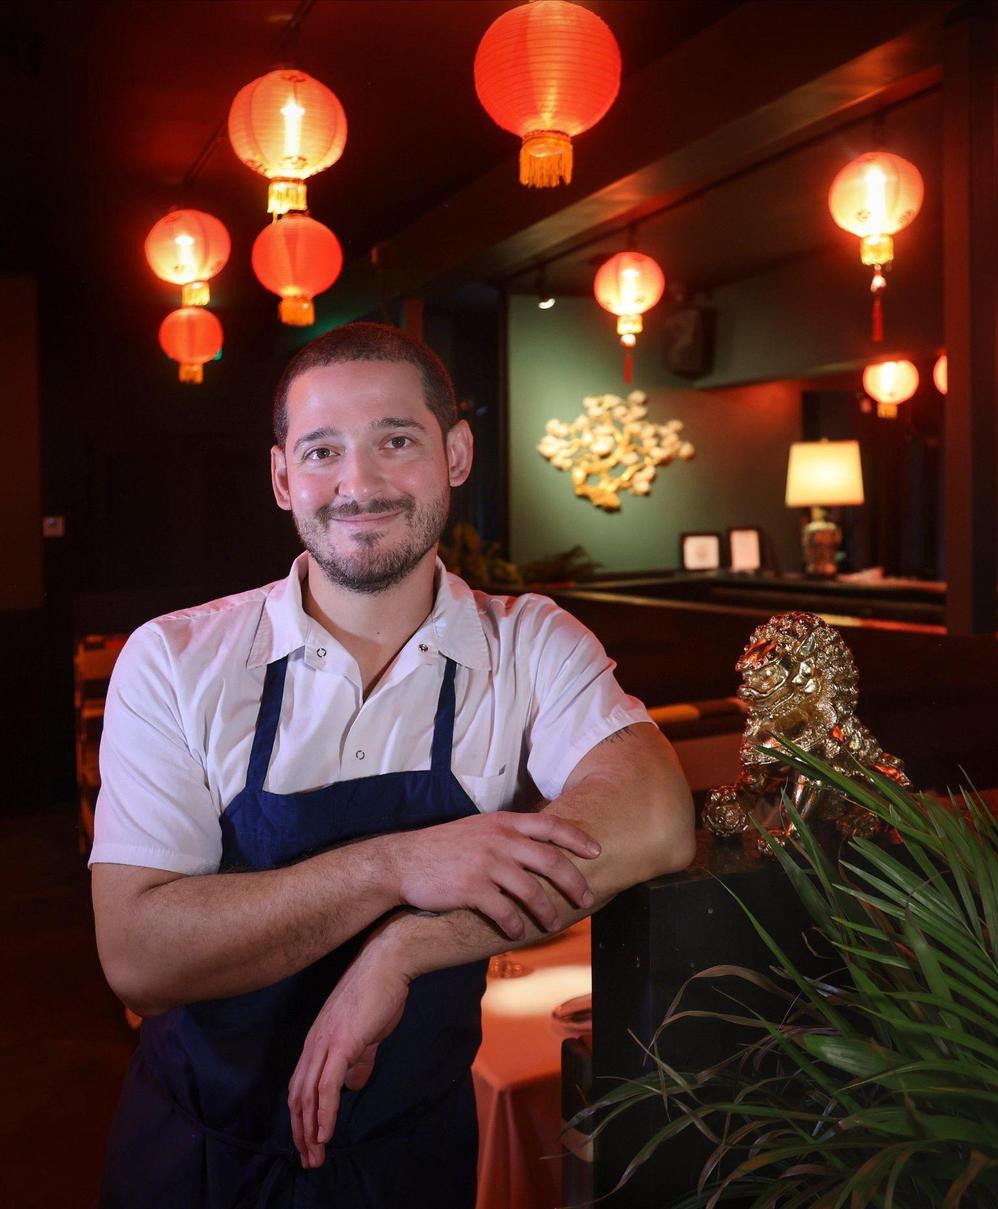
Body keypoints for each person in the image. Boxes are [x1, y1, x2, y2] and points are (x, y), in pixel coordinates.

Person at [90, 321, 695, 1209]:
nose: (358, 483)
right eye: (322, 450)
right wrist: (398, 865)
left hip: (414, 1167)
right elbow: (139, 952)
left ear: (455, 454)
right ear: (281, 476)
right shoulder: (178, 658)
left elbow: (655, 817)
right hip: (198, 1163)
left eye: (396, 441)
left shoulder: (527, 642)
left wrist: (408, 947)